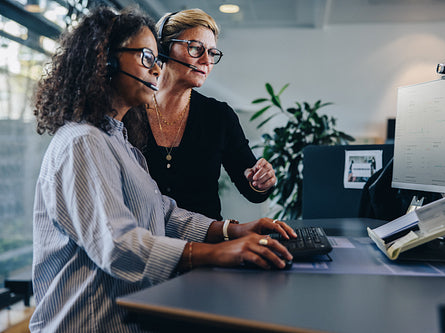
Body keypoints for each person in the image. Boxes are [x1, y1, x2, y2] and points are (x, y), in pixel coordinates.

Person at [29, 7, 295, 332]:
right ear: (105, 60)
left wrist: (232, 232)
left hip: (137, 313)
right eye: (146, 57)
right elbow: (118, 244)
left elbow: (164, 215)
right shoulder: (83, 141)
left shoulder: (119, 138)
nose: (156, 68)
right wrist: (214, 253)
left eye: (155, 58)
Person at [123, 9, 276, 221]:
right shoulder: (127, 110)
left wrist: (262, 181)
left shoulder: (219, 116)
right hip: (142, 245)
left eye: (212, 53)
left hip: (208, 246)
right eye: (196, 48)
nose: (206, 60)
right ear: (162, 48)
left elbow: (253, 191)